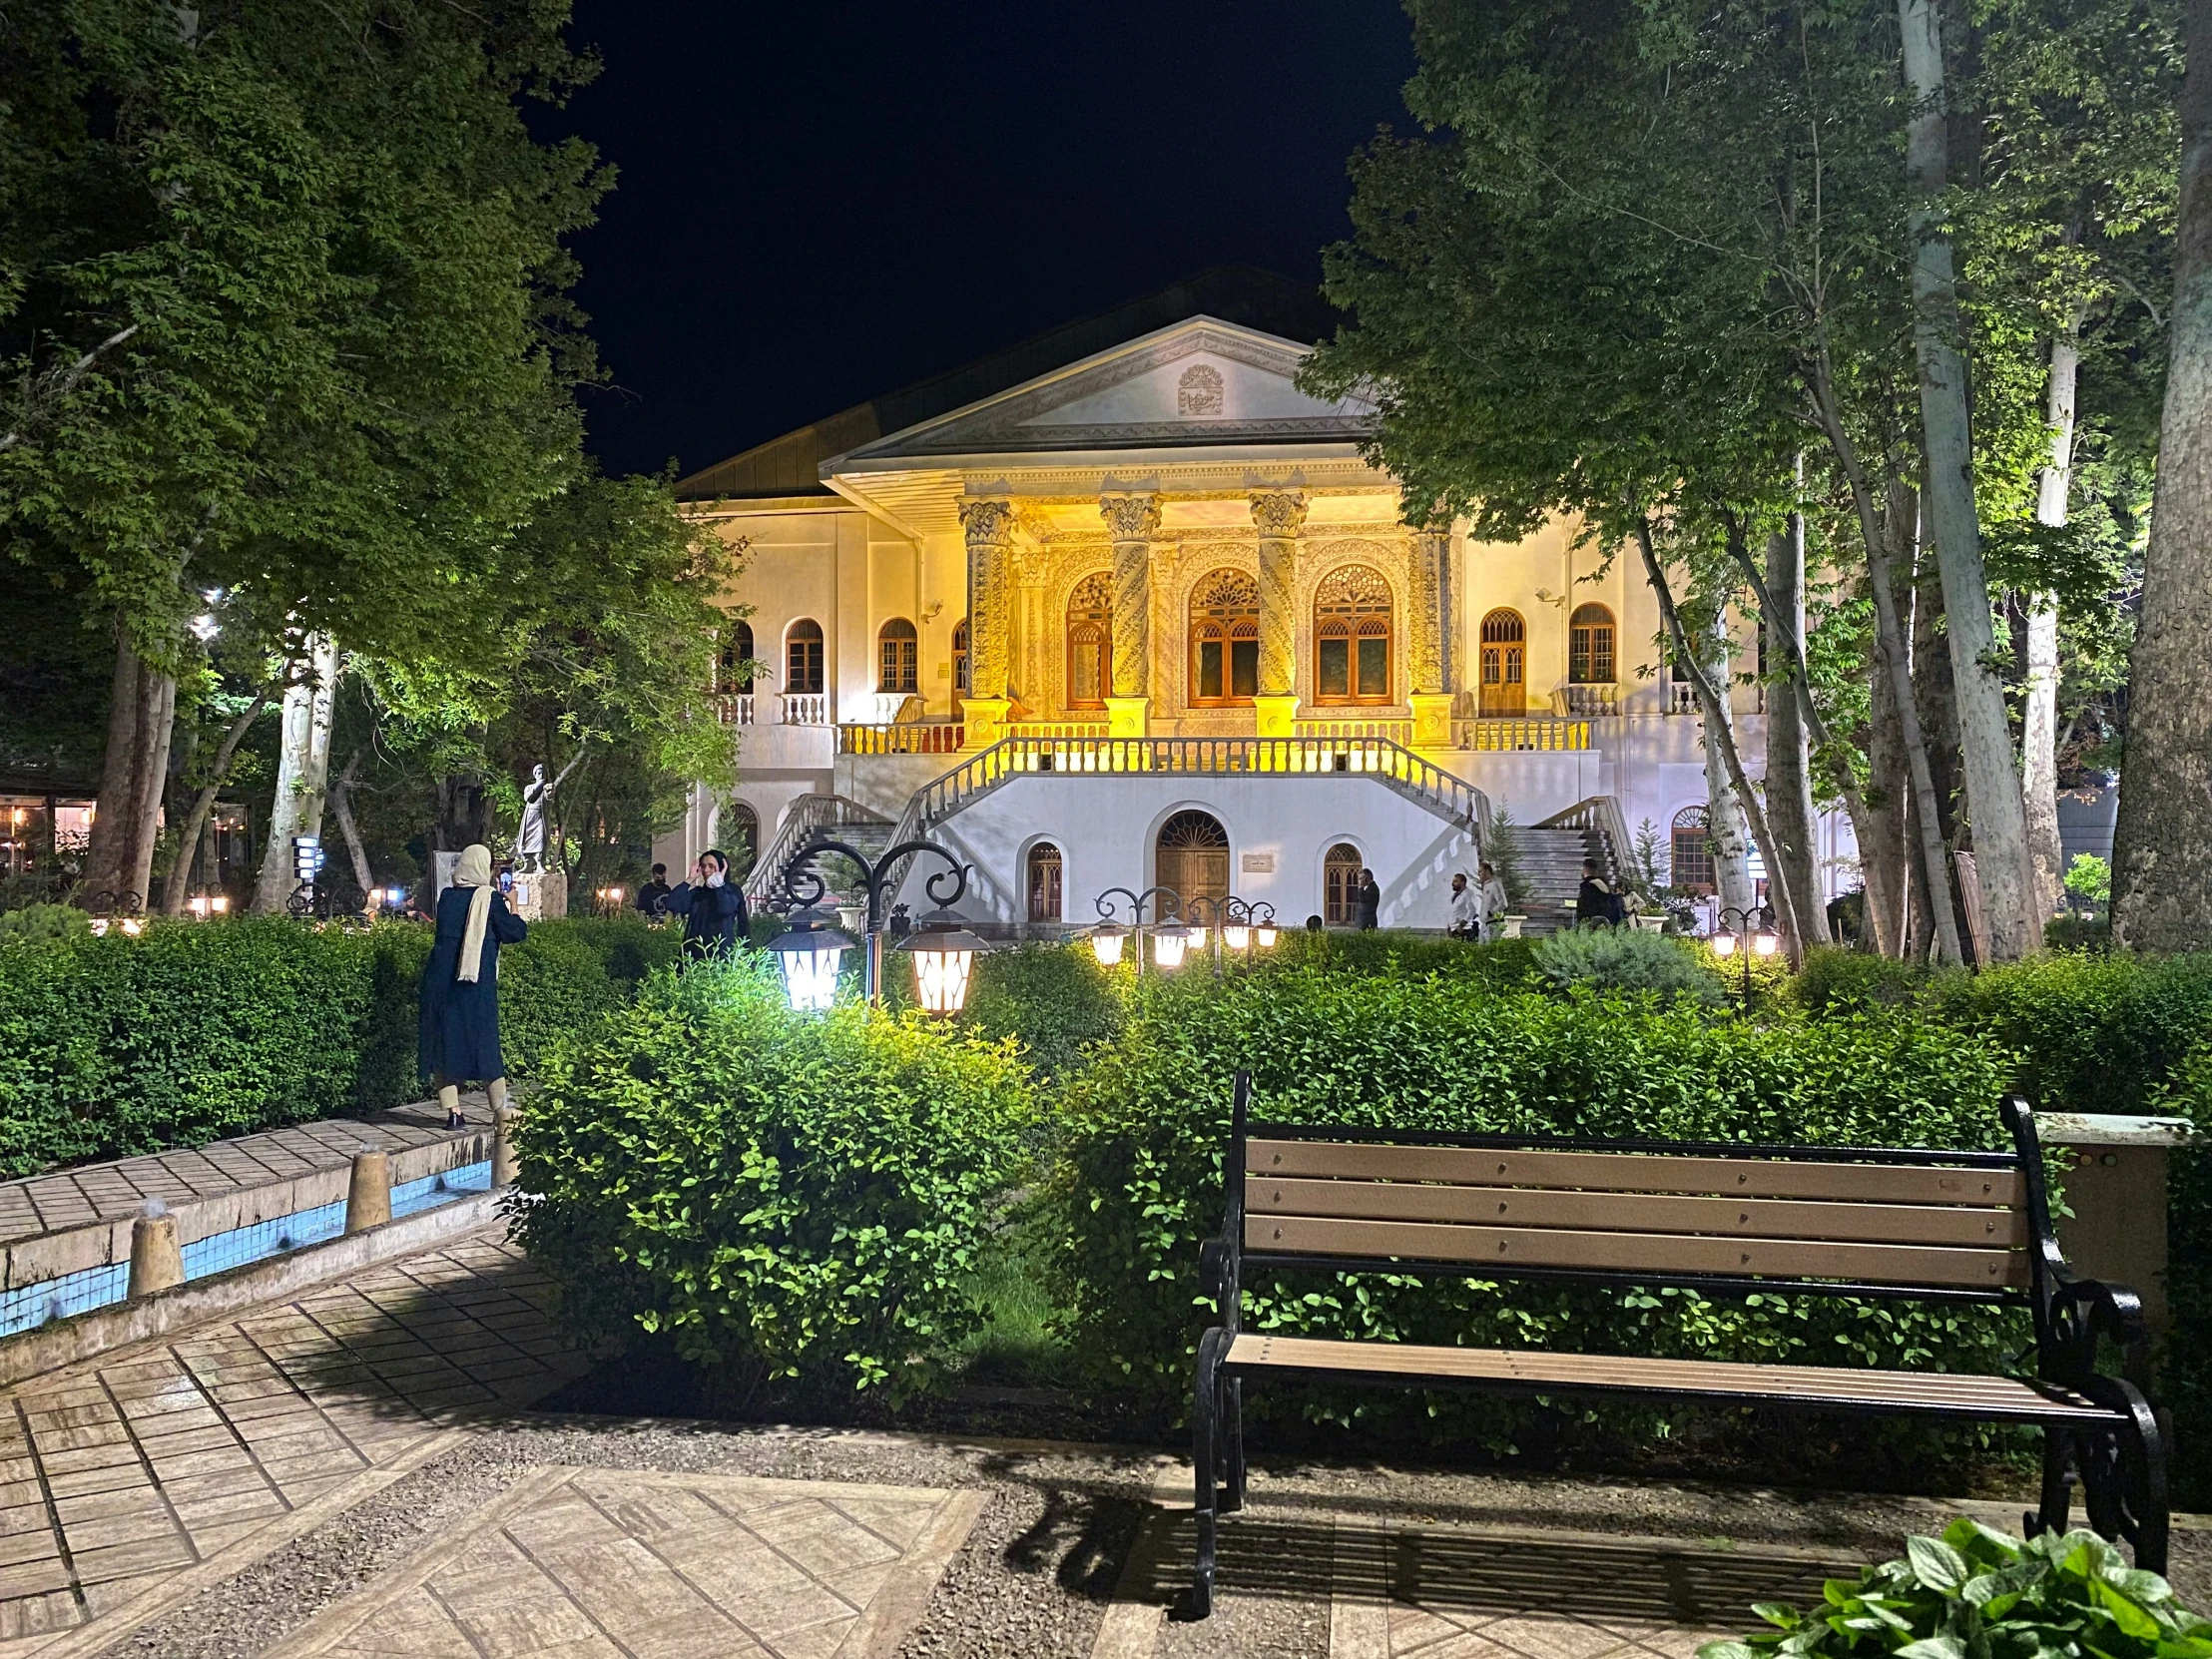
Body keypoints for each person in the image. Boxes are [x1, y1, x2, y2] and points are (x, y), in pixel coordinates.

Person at [418, 843, 527, 1131]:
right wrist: (513, 903)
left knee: (446, 1046)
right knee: (485, 1046)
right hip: (475, 984)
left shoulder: (447, 897)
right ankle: (502, 1113)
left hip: (440, 982)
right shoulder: (489, 899)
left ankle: (454, 1113)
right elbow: (515, 932)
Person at [664, 848, 749, 959]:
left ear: (721, 868)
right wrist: (690, 879)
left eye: (711, 866)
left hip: (721, 954)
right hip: (694, 953)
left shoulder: (731, 891)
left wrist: (718, 885)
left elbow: (724, 908)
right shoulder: (698, 893)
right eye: (703, 866)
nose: (706, 870)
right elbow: (672, 904)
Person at [1575, 857, 1623, 928]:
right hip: (1606, 920)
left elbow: (1587, 906)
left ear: (1586, 869)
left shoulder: (1589, 885)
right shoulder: (1602, 884)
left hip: (1594, 921)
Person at [1478, 861, 1510, 941]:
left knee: (1490, 948)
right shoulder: (1486, 885)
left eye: (1480, 872)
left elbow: (1503, 903)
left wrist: (1491, 912)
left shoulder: (1495, 884)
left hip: (1494, 923)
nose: (1479, 874)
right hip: (1485, 923)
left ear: (1487, 871)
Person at [1447, 872, 1480, 939]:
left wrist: (1462, 924)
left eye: (1455, 881)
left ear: (1462, 883)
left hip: (1464, 929)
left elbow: (1472, 910)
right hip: (1454, 927)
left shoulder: (1468, 894)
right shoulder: (1456, 895)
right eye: (1453, 881)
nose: (1453, 884)